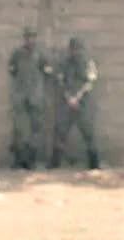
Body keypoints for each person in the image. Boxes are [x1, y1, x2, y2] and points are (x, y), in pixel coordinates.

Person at [50, 37, 99, 170]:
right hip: (66, 104)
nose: (76, 52)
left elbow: (90, 82)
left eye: (78, 49)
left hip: (83, 104)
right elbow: (60, 82)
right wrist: (68, 98)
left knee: (88, 133)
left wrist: (77, 97)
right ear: (70, 50)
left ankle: (94, 164)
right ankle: (55, 164)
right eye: (73, 49)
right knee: (60, 132)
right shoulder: (63, 64)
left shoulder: (88, 63)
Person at [8, 27, 53, 169]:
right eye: (28, 37)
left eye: (33, 37)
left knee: (36, 130)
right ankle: (19, 161)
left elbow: (47, 71)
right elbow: (12, 70)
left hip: (36, 96)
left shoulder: (40, 54)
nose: (30, 40)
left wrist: (47, 71)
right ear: (24, 38)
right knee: (20, 129)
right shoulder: (17, 54)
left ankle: (33, 161)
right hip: (21, 97)